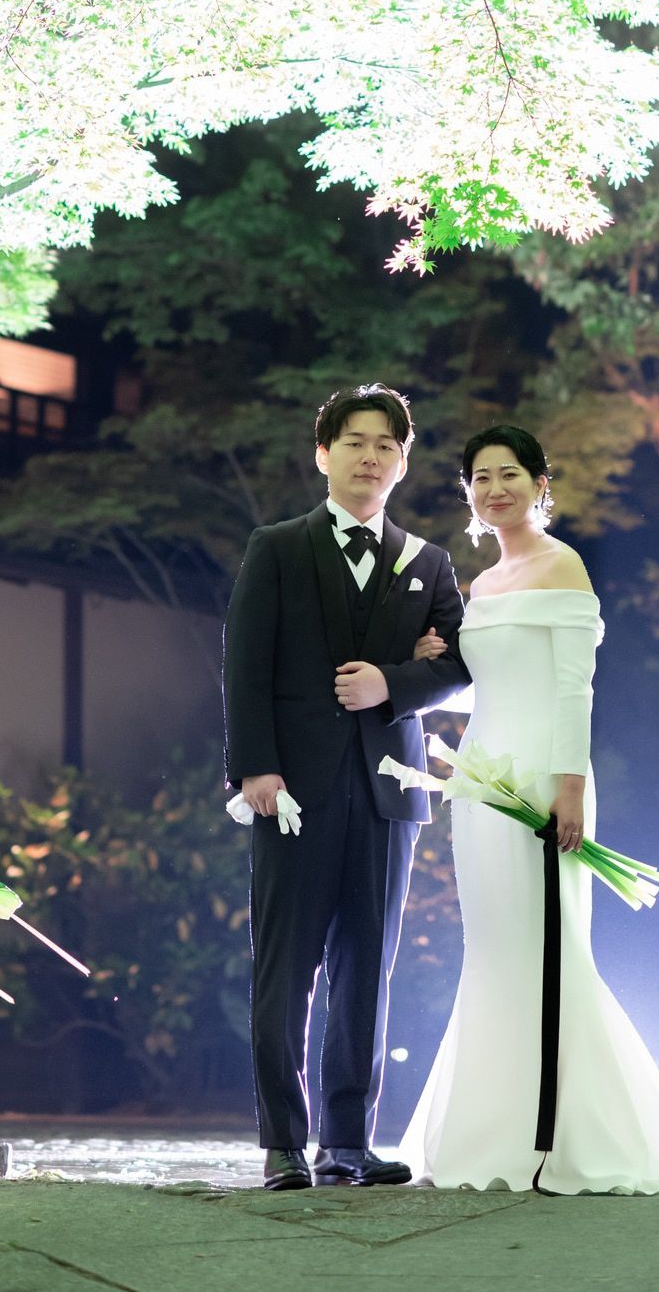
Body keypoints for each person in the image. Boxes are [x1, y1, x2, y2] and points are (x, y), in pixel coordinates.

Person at [400, 423, 659, 1195]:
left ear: (540, 483)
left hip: (543, 780)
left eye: (510, 473)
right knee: (493, 950)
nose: (495, 487)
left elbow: (573, 687)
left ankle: (561, 1135)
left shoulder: (562, 564)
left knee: (550, 950)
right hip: (482, 784)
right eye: (480, 476)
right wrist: (438, 664)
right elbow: (494, 685)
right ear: (468, 492)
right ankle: (486, 1131)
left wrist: (568, 787)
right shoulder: (483, 584)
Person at [222, 383, 469, 1192]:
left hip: (389, 791)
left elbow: (459, 663)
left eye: (386, 445)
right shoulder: (278, 547)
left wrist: (393, 682)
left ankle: (348, 1142)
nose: (371, 456)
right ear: (324, 453)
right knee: (285, 967)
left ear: (403, 462)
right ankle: (283, 1142)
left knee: (367, 970)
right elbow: (245, 665)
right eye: (356, 442)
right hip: (292, 787)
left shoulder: (427, 562)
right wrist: (256, 765)